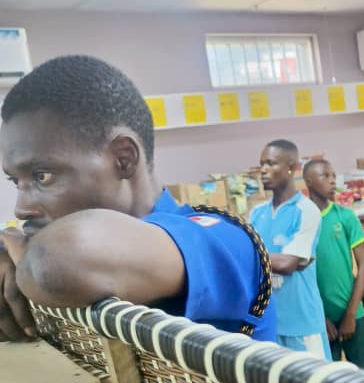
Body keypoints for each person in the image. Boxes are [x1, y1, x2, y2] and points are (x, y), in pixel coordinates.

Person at [0, 55, 276, 343]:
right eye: (15, 181)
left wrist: (22, 255)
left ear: (123, 159)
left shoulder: (220, 237)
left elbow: (51, 264)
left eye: (42, 176)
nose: (21, 208)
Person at [250, 140, 329, 359]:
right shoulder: (256, 214)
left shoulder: (306, 211)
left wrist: (249, 254)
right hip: (269, 325)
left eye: (271, 163)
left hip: (302, 325)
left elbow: (287, 264)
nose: (264, 170)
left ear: (291, 167)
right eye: (262, 164)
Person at [304, 159, 364, 370]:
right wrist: (320, 318)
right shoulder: (301, 221)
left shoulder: (344, 217)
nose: (332, 181)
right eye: (324, 176)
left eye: (333, 176)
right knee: (329, 379)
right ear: (308, 181)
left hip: (353, 311)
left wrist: (351, 314)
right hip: (319, 319)